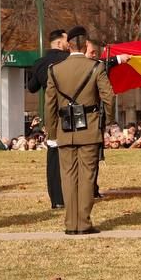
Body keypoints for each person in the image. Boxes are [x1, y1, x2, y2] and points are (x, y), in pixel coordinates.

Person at [45, 29, 115, 235]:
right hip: (90, 126)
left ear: (69, 46)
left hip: (64, 127)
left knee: (67, 175)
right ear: (85, 46)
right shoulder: (96, 67)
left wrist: (52, 132)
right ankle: (83, 222)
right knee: (87, 175)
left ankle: (70, 222)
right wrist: (108, 121)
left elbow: (49, 104)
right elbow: (108, 97)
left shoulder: (54, 70)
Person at [27, 29, 70, 210]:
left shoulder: (39, 63)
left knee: (53, 156)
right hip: (71, 113)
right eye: (67, 41)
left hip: (51, 114)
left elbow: (31, 88)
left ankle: (56, 198)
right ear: (60, 43)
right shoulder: (68, 60)